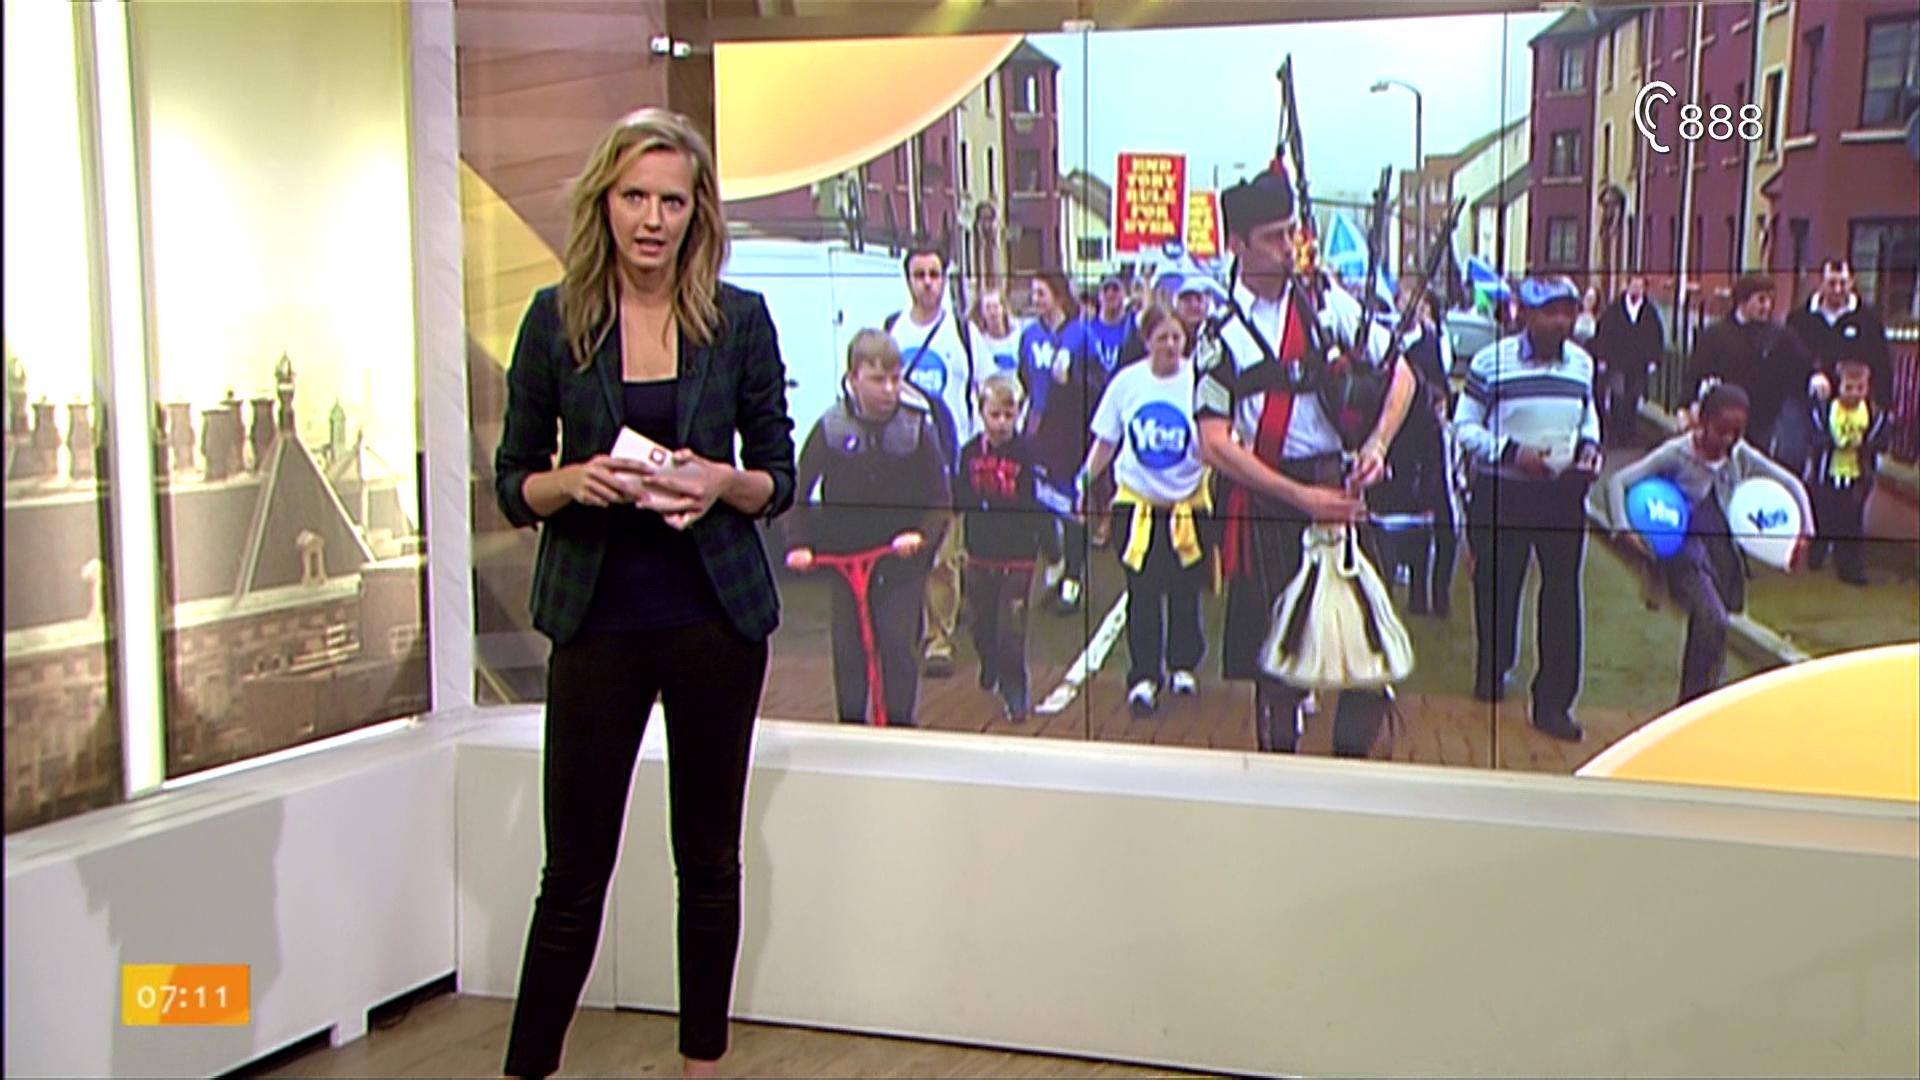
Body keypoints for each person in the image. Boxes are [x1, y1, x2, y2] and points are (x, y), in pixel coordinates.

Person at [492, 108, 797, 1080]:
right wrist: (572, 481)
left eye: (672, 200)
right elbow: (512, 484)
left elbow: (778, 478)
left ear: (698, 211)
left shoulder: (738, 320)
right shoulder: (555, 320)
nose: (653, 219)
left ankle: (700, 1068)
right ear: (605, 203)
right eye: (635, 197)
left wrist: (719, 481)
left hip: (715, 622)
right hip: (597, 623)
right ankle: (528, 1069)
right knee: (573, 873)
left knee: (707, 864)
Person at [1193, 165, 1416, 757]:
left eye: (1291, 231)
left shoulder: (1327, 304)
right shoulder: (1221, 333)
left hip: (1341, 493)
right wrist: (1300, 498)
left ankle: (1349, 774)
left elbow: (1403, 376)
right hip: (1271, 501)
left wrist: (1377, 446)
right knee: (1278, 669)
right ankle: (1283, 782)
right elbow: (1213, 443)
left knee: (1370, 664)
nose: (1289, 245)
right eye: (1273, 236)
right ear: (1237, 244)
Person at [1454, 275, 1601, 743]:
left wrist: (1590, 448)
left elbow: (1588, 414)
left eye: (1567, 312)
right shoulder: (1490, 362)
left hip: (1562, 493)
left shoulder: (1582, 364)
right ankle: (1493, 667)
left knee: (1562, 595)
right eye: (1549, 312)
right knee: (1497, 586)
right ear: (1526, 314)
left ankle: (1554, 702)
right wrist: (1511, 451)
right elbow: (1464, 427)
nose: (1560, 322)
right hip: (1505, 490)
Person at [1606, 384, 1814, 704]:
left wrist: (1805, 532)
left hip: (1722, 552)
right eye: (1722, 431)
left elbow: (1790, 482)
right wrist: (1623, 528)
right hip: (1686, 551)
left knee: (1716, 626)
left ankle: (1704, 700)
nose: (1729, 440)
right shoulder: (1677, 453)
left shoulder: (1740, 454)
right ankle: (1691, 702)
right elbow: (1618, 481)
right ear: (1702, 422)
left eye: (1737, 432)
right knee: (1710, 616)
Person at [787, 330, 952, 727]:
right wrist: (798, 543)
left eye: (895, 379)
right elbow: (797, 491)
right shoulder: (831, 427)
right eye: (878, 380)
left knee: (897, 644)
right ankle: (850, 726)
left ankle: (900, 726)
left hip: (899, 561)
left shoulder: (917, 427)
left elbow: (940, 498)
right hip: (846, 561)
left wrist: (922, 536)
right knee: (849, 650)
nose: (889, 390)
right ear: (853, 378)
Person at [1080, 305, 1211, 717]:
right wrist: (1085, 478)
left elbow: (1222, 438)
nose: (1170, 345)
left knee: (1186, 589)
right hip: (1137, 505)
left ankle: (1183, 665)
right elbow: (1106, 439)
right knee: (1143, 592)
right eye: (1162, 338)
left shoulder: (1201, 381)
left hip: (1187, 504)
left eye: (1177, 337)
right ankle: (1143, 675)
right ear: (1147, 340)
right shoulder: (1127, 383)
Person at [885, 245, 974, 679]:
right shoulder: (893, 330)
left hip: (947, 461)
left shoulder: (961, 332)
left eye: (934, 274)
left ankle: (941, 638)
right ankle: (910, 631)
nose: (927, 283)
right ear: (908, 281)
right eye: (919, 275)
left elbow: (979, 391)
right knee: (905, 552)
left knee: (943, 556)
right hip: (901, 460)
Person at [955, 373, 1049, 721]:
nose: (1001, 423)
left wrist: (1050, 547)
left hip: (1019, 553)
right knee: (982, 623)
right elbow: (959, 495)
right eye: (994, 415)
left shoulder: (1027, 452)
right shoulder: (969, 453)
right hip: (980, 552)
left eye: (1009, 415)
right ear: (981, 413)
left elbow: (1038, 502)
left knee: (1012, 627)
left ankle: (1015, 691)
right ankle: (989, 661)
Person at [1019, 270, 1099, 613]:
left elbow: (1098, 382)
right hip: (1039, 427)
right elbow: (1025, 375)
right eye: (1033, 293)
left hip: (1071, 430)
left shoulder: (1081, 333)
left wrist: (1072, 379)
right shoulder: (1030, 335)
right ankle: (1055, 557)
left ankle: (1073, 579)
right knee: (1037, 499)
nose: (1035, 299)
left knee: (1072, 504)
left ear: (1058, 295)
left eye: (1041, 293)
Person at [1375, 287, 1458, 617]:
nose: (1411, 309)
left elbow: (1443, 385)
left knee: (1443, 521)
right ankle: (1410, 594)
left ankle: (1440, 594)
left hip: (1430, 440)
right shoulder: (1385, 343)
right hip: (1397, 440)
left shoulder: (1434, 341)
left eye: (1418, 303)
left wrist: (1441, 403)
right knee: (1399, 519)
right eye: (1405, 302)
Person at [1685, 273, 1814, 466]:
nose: (1767, 307)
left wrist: (1816, 376)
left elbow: (1802, 363)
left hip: (1763, 421)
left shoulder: (1779, 335)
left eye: (1770, 300)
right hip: (1724, 419)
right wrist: (1688, 404)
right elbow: (1695, 372)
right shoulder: (1716, 334)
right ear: (1742, 301)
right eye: (1761, 300)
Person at [1804, 358, 1891, 585]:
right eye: (1849, 388)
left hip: (1857, 476)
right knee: (1824, 515)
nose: (1854, 394)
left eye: (1860, 388)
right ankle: (1817, 555)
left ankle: (1851, 568)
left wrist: (1863, 445)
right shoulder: (1826, 411)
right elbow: (1813, 436)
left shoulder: (1874, 414)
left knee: (1852, 522)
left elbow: (1882, 440)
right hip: (1827, 475)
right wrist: (1834, 443)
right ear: (1838, 387)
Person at [1787, 258, 1894, 411]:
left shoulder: (1868, 319)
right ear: (1820, 282)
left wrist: (1882, 406)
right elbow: (1790, 362)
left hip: (1855, 406)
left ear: (1851, 282)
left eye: (1843, 283)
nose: (1837, 290)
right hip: (1807, 406)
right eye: (1832, 283)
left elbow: (1882, 364)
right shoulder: (1799, 319)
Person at [1590, 273, 1665, 447]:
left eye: (1640, 287)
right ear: (1627, 286)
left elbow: (1656, 337)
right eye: (1634, 286)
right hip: (1617, 361)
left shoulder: (1649, 312)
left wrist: (1654, 359)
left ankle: (1629, 433)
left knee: (1633, 397)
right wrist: (1602, 357)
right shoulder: (1614, 309)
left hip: (1639, 364)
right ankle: (1615, 433)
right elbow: (1603, 334)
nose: (1636, 290)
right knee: (1618, 395)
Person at [969, 286, 1024, 386]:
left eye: (996, 306)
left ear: (1003, 309)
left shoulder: (1018, 337)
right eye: (988, 308)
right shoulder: (978, 342)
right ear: (982, 312)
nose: (993, 312)